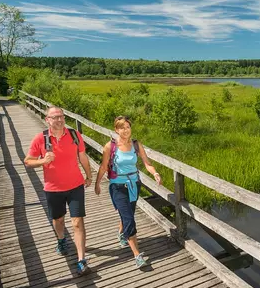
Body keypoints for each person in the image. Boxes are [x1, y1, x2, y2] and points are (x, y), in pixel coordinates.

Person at [24, 106, 93, 276]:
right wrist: (42, 161)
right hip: (53, 188)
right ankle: (61, 240)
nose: (59, 120)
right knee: (58, 220)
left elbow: (82, 155)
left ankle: (81, 260)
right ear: (47, 120)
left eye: (61, 116)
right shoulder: (41, 139)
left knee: (77, 221)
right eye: (54, 117)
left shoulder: (75, 135)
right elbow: (28, 161)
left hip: (76, 185)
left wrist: (89, 175)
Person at [95, 116, 162, 268]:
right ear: (116, 130)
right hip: (117, 186)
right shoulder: (109, 146)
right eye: (122, 128)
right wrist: (97, 183)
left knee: (128, 213)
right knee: (129, 219)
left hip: (134, 184)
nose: (125, 130)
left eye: (128, 127)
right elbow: (104, 166)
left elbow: (147, 163)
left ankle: (121, 233)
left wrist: (155, 173)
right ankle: (137, 256)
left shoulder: (136, 144)